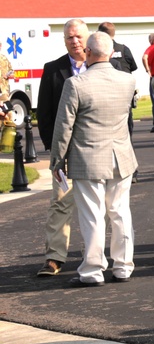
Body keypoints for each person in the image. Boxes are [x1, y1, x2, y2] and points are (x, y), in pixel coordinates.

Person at [49, 31, 138, 287]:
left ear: (88, 52)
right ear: (111, 53)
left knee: (93, 216)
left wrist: (57, 160)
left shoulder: (76, 84)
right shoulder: (127, 81)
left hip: (87, 159)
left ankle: (92, 270)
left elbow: (63, 127)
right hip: (121, 156)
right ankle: (123, 266)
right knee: (120, 212)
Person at [35, 19, 89, 277]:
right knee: (60, 203)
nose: (74, 41)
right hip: (64, 154)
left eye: (78, 36)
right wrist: (53, 148)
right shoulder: (53, 70)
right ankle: (54, 258)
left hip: (95, 151)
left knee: (100, 206)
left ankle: (97, 256)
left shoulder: (103, 66)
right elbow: (44, 112)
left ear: (87, 38)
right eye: (69, 37)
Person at [98, 22, 137, 136]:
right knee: (126, 121)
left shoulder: (96, 51)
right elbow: (132, 67)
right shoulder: (124, 49)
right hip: (124, 92)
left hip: (104, 92)